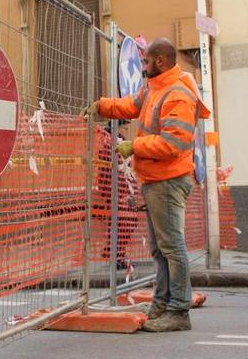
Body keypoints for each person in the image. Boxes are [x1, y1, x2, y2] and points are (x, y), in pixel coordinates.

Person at [83, 38, 210, 332]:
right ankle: (163, 304)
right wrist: (102, 106)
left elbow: (174, 143)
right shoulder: (157, 87)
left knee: (171, 247)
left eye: (145, 62)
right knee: (160, 249)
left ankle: (178, 310)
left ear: (160, 62)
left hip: (168, 181)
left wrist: (134, 147)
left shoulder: (177, 94)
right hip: (156, 180)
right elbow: (131, 104)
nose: (142, 67)